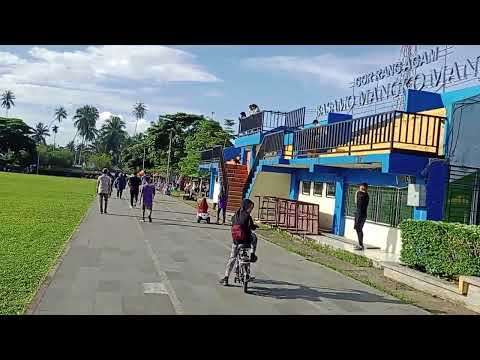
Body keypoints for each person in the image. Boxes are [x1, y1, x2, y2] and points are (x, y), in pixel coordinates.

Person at [220, 199, 258, 286]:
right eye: (250, 208)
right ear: (246, 206)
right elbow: (252, 227)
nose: (251, 210)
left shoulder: (235, 216)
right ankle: (252, 254)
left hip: (236, 242)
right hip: (246, 241)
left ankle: (226, 277)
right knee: (255, 237)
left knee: (232, 258)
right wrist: (254, 226)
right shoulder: (248, 217)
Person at [354, 183, 370, 251]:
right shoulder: (360, 193)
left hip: (361, 214)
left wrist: (359, 191)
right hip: (359, 213)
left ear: (364, 188)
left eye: (361, 187)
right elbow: (356, 201)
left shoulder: (364, 195)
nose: (360, 188)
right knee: (357, 228)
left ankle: (361, 245)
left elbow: (358, 196)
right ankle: (360, 244)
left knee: (359, 228)